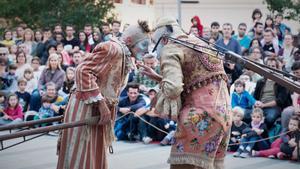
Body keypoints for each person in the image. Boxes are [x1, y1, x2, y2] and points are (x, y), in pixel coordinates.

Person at [57, 20, 151, 169]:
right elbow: (82, 71)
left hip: (97, 111)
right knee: (82, 153)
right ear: (129, 41)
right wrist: (101, 104)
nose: (146, 50)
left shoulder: (124, 54)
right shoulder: (113, 49)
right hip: (85, 108)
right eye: (143, 45)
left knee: (93, 153)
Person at [144, 16, 231, 169]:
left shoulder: (171, 47)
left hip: (198, 117)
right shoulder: (200, 43)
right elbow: (197, 79)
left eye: (155, 44)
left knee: (183, 165)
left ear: (163, 39)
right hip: (224, 115)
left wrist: (157, 101)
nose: (156, 51)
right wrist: (159, 78)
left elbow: (173, 88)